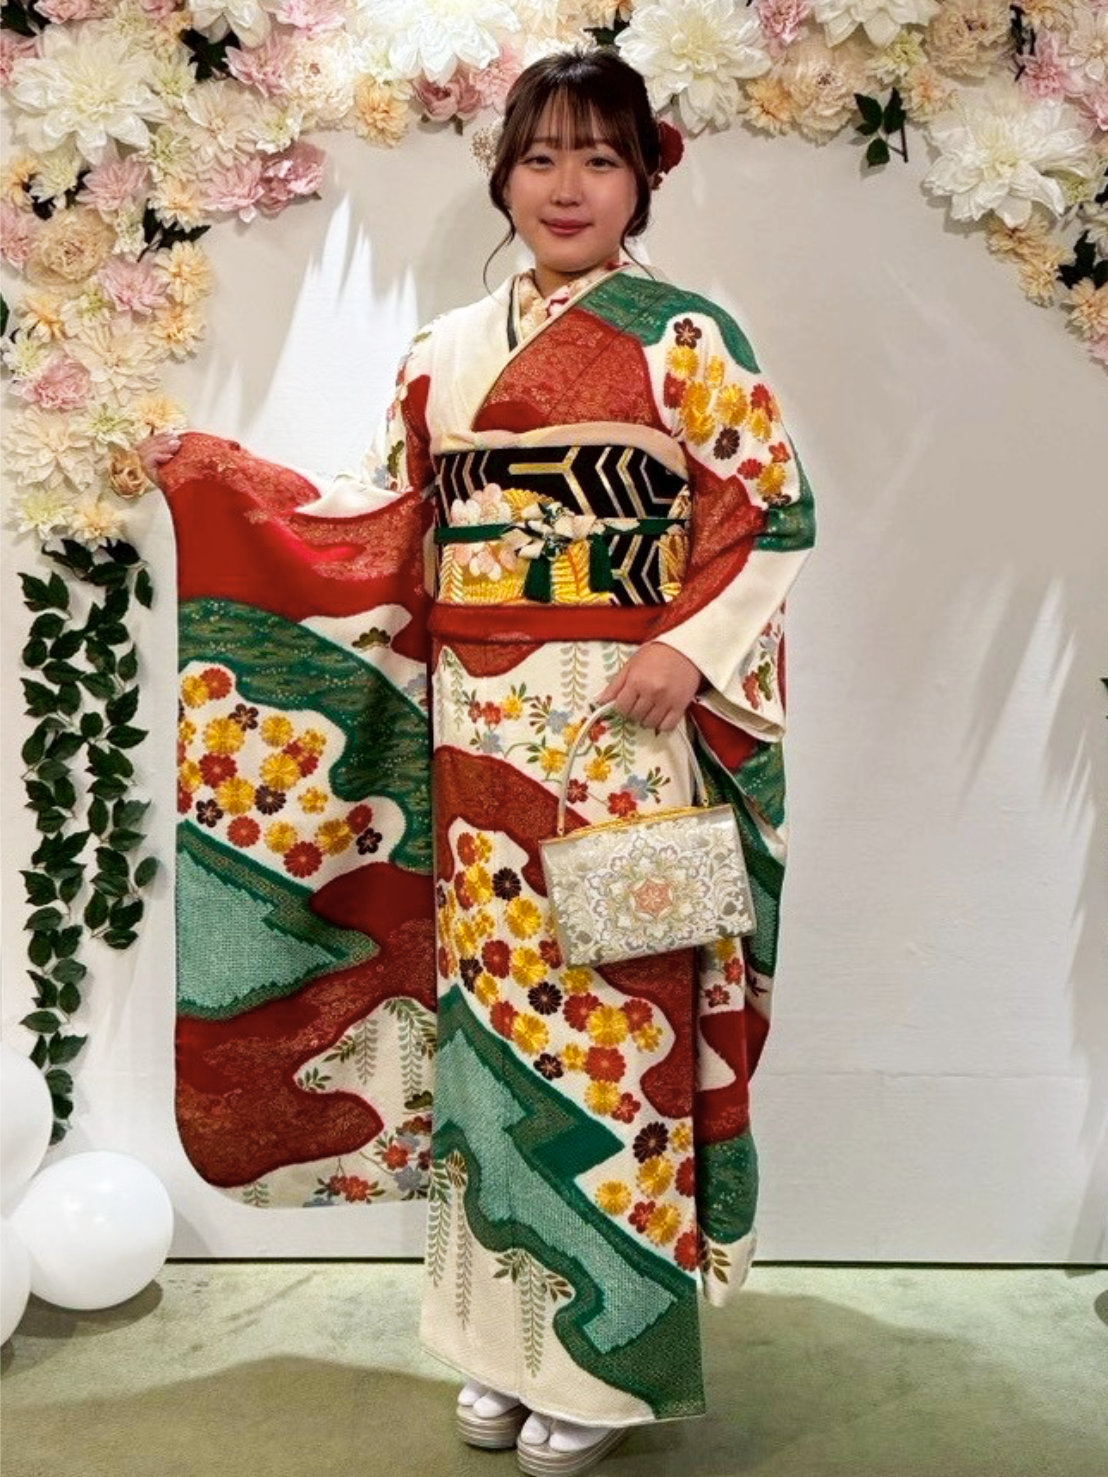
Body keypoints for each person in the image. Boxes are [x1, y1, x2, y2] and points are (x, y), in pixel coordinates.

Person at [145, 46, 815, 1477]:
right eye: (542, 157)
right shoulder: (442, 352)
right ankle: (496, 1342)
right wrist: (224, 486)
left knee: (612, 1028)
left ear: (643, 182)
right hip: (476, 735)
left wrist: (689, 649)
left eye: (601, 159)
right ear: (502, 175)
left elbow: (772, 513)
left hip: (627, 733)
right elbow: (382, 532)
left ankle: (605, 1361)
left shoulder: (688, 339)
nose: (569, 186)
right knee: (493, 1040)